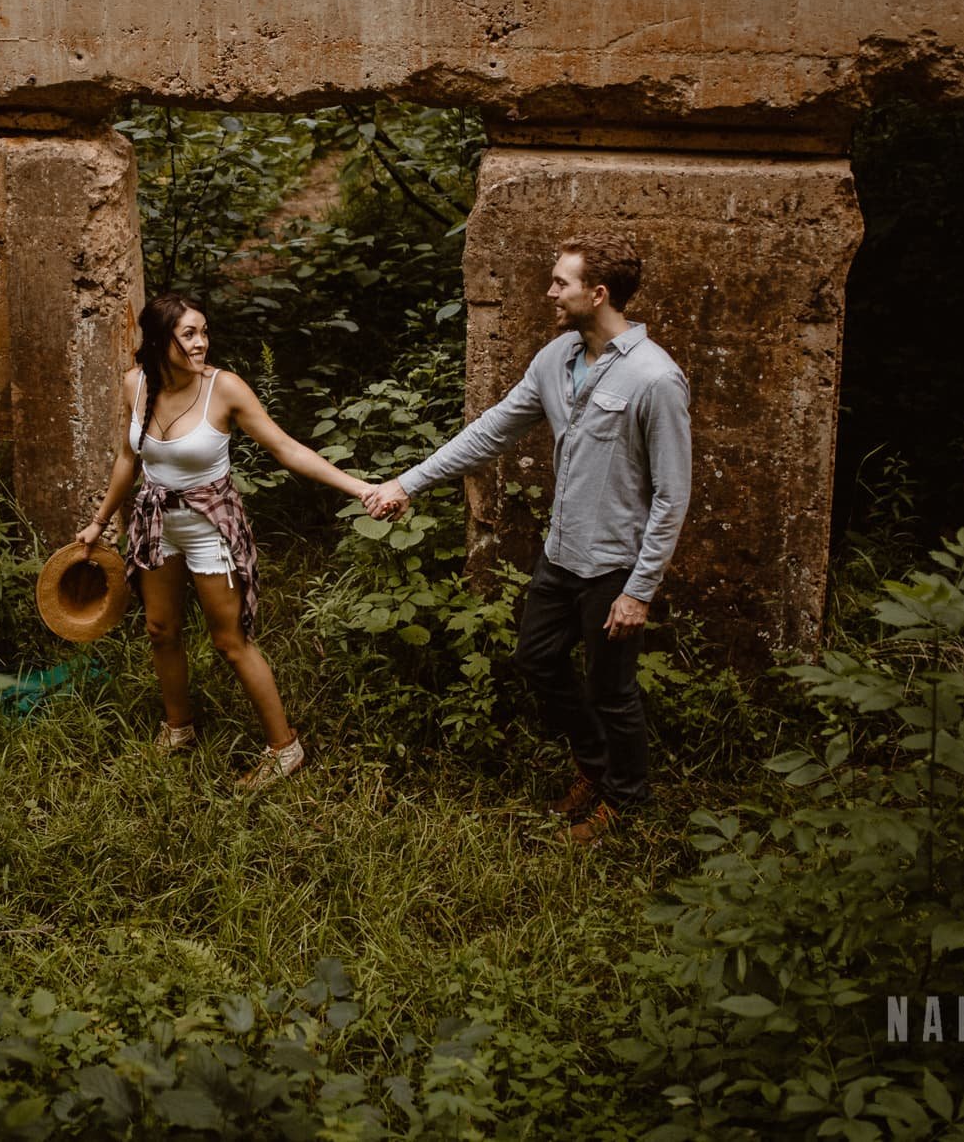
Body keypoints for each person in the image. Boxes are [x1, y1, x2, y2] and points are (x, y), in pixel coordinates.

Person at [363, 233, 691, 842]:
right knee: (536, 660)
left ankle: (626, 800)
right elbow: (490, 432)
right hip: (561, 556)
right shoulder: (556, 359)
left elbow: (672, 495)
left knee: (612, 690)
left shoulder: (655, 379)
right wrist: (408, 482)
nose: (549, 291)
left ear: (598, 294)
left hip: (616, 566)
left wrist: (639, 590)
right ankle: (595, 768)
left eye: (560, 282)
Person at [76, 292, 376, 791]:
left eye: (204, 332)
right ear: (158, 340)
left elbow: (286, 448)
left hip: (209, 524)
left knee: (229, 641)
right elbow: (128, 459)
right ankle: (179, 729)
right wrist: (99, 520)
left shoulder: (225, 388)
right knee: (159, 628)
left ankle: (285, 748)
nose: (201, 344)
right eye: (189, 334)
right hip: (155, 522)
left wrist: (360, 487)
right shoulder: (136, 385)